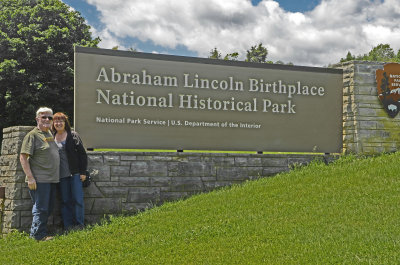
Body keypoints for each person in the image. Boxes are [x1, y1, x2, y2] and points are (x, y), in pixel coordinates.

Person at [20, 107, 60, 241]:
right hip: (40, 179)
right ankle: (37, 235)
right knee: (41, 208)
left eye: (50, 117)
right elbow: (23, 157)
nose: (47, 119)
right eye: (44, 117)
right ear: (37, 118)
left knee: (47, 208)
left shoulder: (49, 134)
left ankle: (40, 232)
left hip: (52, 179)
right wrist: (30, 178)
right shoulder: (32, 135)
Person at [52, 112, 87, 231]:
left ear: (65, 122)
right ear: (53, 123)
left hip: (75, 174)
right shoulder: (52, 136)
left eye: (61, 121)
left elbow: (82, 154)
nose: (58, 123)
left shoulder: (73, 135)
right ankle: (68, 226)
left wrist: (83, 172)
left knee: (77, 200)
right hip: (61, 176)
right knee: (65, 201)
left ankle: (79, 225)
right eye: (56, 121)